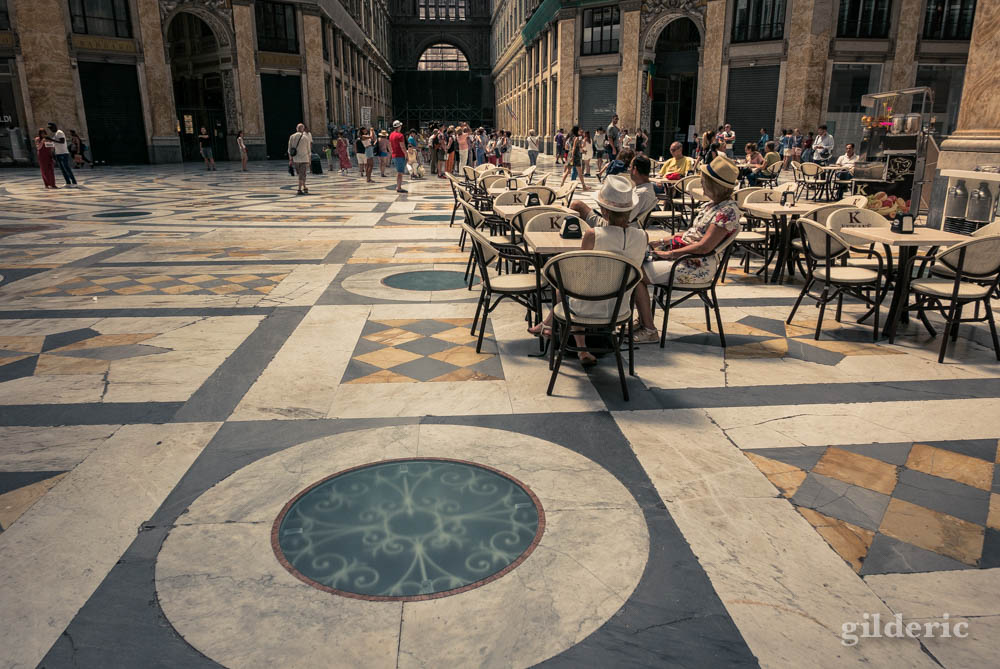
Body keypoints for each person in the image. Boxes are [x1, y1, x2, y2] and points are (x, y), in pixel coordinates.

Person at [527, 175, 649, 365]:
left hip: (586, 308)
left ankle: (578, 346)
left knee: (565, 285)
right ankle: (550, 325)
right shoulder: (642, 236)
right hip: (621, 309)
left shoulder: (593, 235)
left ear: (603, 211)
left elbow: (580, 269)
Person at [631, 156, 742, 343]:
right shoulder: (712, 205)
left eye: (705, 181)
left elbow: (704, 246)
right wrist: (660, 242)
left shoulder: (727, 212)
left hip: (695, 264)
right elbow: (691, 234)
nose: (701, 184)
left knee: (636, 273)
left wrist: (669, 254)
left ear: (715, 185)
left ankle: (649, 329)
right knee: (634, 262)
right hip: (686, 257)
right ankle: (643, 319)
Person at [559, 126, 590, 191]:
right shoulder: (576, 138)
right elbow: (574, 148)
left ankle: (561, 184)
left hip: (570, 155)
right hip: (575, 156)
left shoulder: (571, 138)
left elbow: (567, 147)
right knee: (579, 172)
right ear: (577, 131)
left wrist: (582, 151)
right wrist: (573, 156)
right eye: (579, 130)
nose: (580, 131)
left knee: (568, 171)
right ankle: (584, 186)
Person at [48, 122, 77, 186]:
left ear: (55, 126)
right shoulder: (55, 134)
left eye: (51, 128)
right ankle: (68, 182)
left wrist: (51, 139)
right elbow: (55, 143)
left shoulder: (59, 132)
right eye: (50, 128)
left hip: (63, 153)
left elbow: (62, 141)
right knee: (62, 169)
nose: (51, 129)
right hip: (58, 153)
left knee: (66, 168)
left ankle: (74, 181)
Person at [288, 123, 312, 195]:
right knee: (302, 175)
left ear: (296, 128)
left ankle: (304, 187)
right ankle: (299, 189)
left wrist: (290, 159)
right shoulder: (306, 137)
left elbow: (289, 150)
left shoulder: (292, 137)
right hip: (304, 159)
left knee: (301, 174)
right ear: (303, 129)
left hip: (296, 159)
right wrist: (310, 159)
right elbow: (309, 150)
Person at [387, 120, 408, 193]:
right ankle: (398, 187)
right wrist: (406, 154)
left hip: (394, 155)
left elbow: (389, 145)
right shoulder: (400, 135)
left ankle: (398, 186)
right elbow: (402, 146)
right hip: (400, 155)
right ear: (399, 127)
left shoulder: (391, 135)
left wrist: (391, 152)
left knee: (399, 172)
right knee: (400, 172)